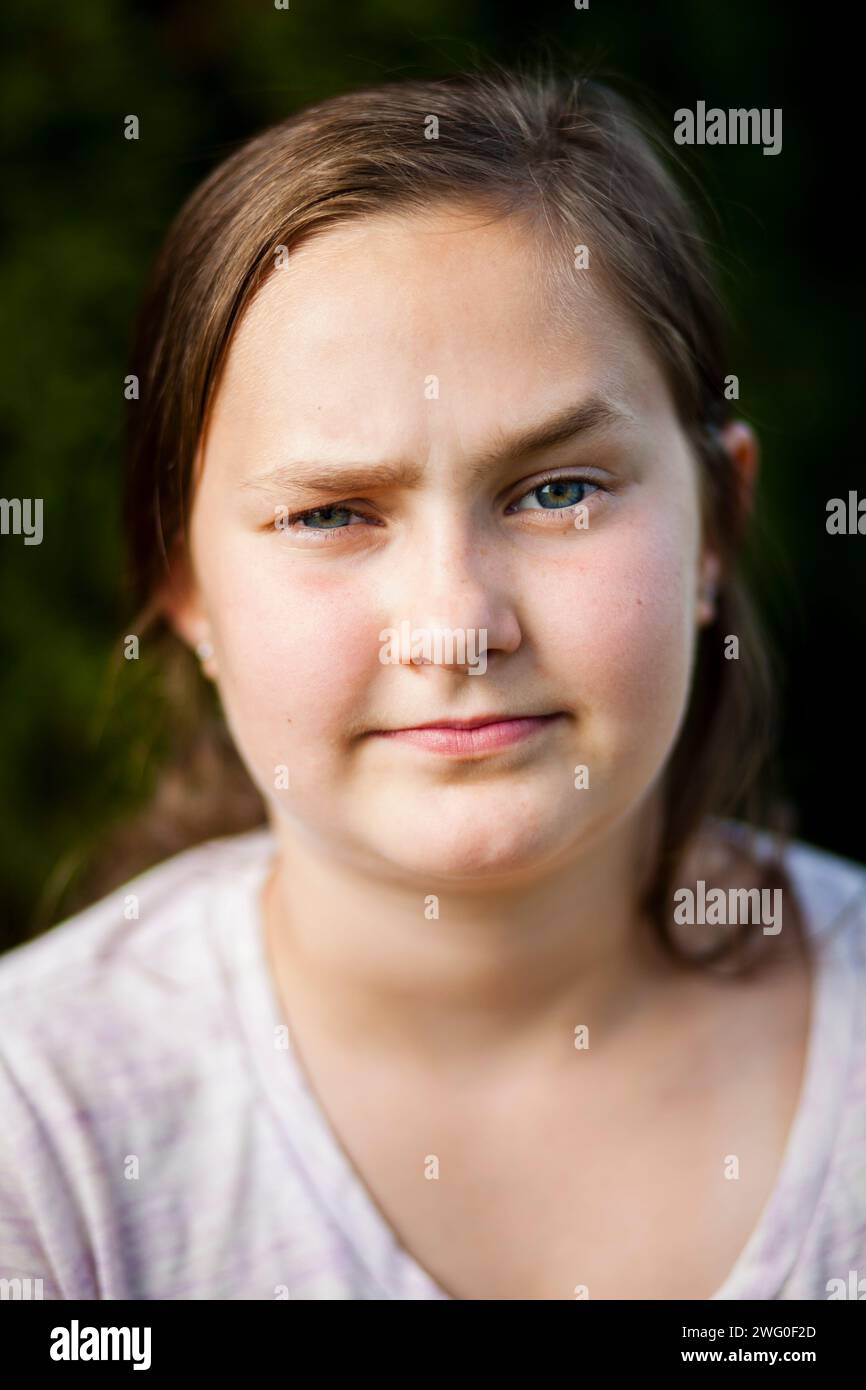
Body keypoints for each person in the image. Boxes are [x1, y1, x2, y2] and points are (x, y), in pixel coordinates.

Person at [1, 65, 864, 1302]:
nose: (455, 627)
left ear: (715, 526)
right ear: (186, 592)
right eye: (333, 512)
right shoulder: (39, 1143)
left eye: (556, 490)